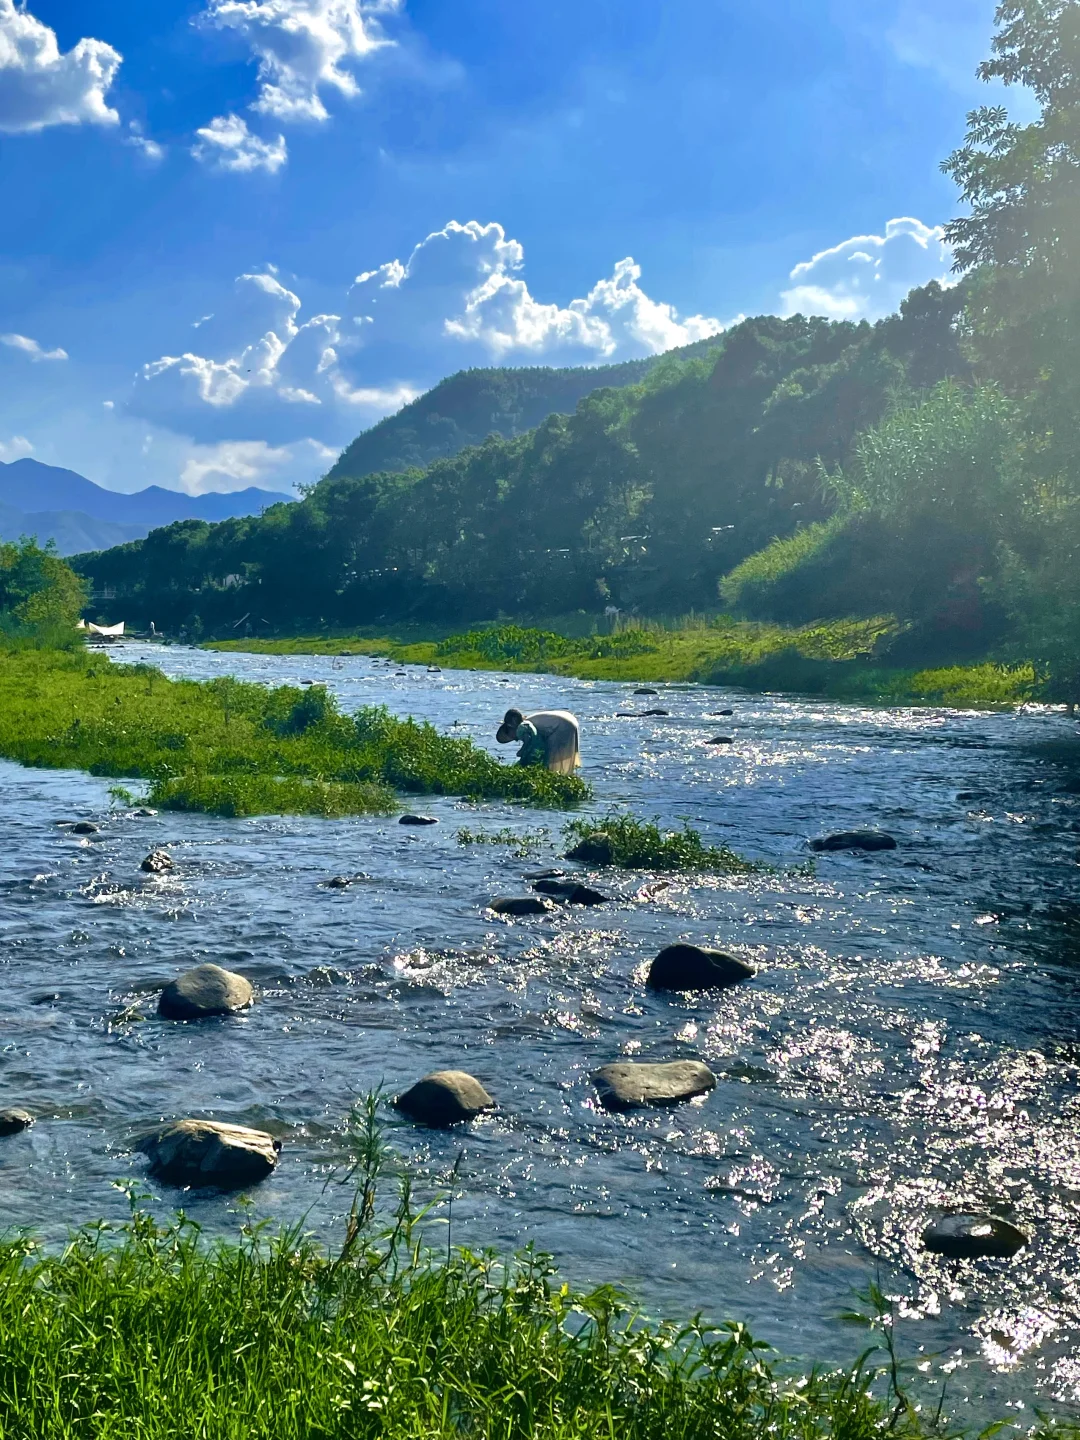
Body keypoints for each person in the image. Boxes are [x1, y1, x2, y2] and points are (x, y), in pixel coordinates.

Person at [496, 707, 580, 773]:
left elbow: (533, 743)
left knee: (552, 763)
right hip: (569, 718)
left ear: (511, 727)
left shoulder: (522, 727)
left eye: (513, 738)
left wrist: (522, 755)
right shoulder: (530, 721)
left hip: (562, 725)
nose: (515, 739)